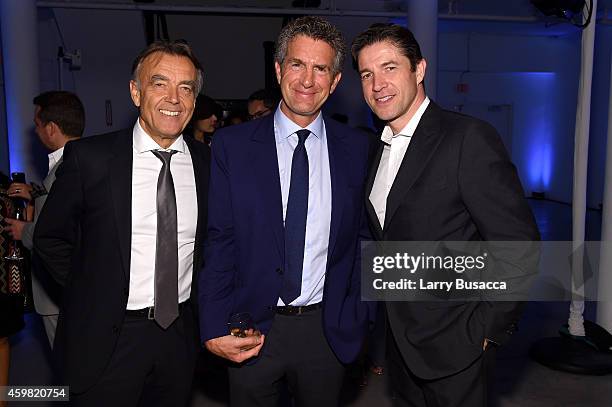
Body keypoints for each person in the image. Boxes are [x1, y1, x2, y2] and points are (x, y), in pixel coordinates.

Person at [351, 24, 540, 407]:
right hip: (401, 347)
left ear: (419, 70)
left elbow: (519, 244)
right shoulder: (376, 149)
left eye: (390, 68)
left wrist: (487, 331)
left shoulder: (467, 138)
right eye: (367, 74)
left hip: (459, 347)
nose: (377, 84)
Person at [200, 16, 372, 407]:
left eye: (321, 68)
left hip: (328, 329)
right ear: (279, 69)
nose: (307, 80)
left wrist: (363, 316)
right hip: (249, 325)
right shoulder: (233, 146)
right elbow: (220, 239)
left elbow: (366, 238)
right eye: (297, 64)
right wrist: (213, 324)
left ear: (335, 80)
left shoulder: (358, 149)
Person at [34, 40, 210, 406]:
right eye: (160, 84)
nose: (173, 98)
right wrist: (92, 292)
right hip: (107, 337)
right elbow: (50, 239)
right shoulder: (90, 158)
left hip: (178, 336)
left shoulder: (207, 162)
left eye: (186, 88)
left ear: (195, 99)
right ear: (135, 91)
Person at [4, 91, 84, 349]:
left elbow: (59, 232)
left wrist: (23, 230)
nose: (36, 133)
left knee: (68, 365)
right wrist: (36, 192)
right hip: (80, 286)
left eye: (37, 126)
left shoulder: (65, 167)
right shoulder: (86, 160)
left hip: (59, 288)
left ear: (51, 128)